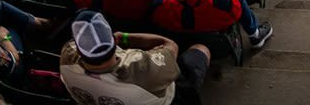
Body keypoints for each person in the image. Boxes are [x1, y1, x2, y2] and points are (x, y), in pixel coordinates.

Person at [61, 10, 210, 105]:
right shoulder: (142, 68)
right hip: (170, 99)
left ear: (78, 50)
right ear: (114, 41)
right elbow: (170, 45)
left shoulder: (67, 56)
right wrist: (125, 37)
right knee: (200, 49)